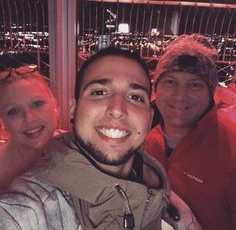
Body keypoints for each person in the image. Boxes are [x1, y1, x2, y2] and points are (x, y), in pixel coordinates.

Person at [0, 47, 170, 230]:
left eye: (135, 97)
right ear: (73, 109)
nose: (117, 109)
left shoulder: (155, 180)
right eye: (99, 92)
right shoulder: (33, 207)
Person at [144, 34, 236, 230]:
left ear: (211, 92)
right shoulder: (146, 140)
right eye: (170, 82)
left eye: (194, 85)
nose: (180, 95)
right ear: (156, 88)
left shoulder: (231, 150)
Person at [0, 65, 60, 191]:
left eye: (37, 103)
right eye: (13, 111)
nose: (29, 118)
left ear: (55, 105)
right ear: (3, 122)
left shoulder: (78, 149)